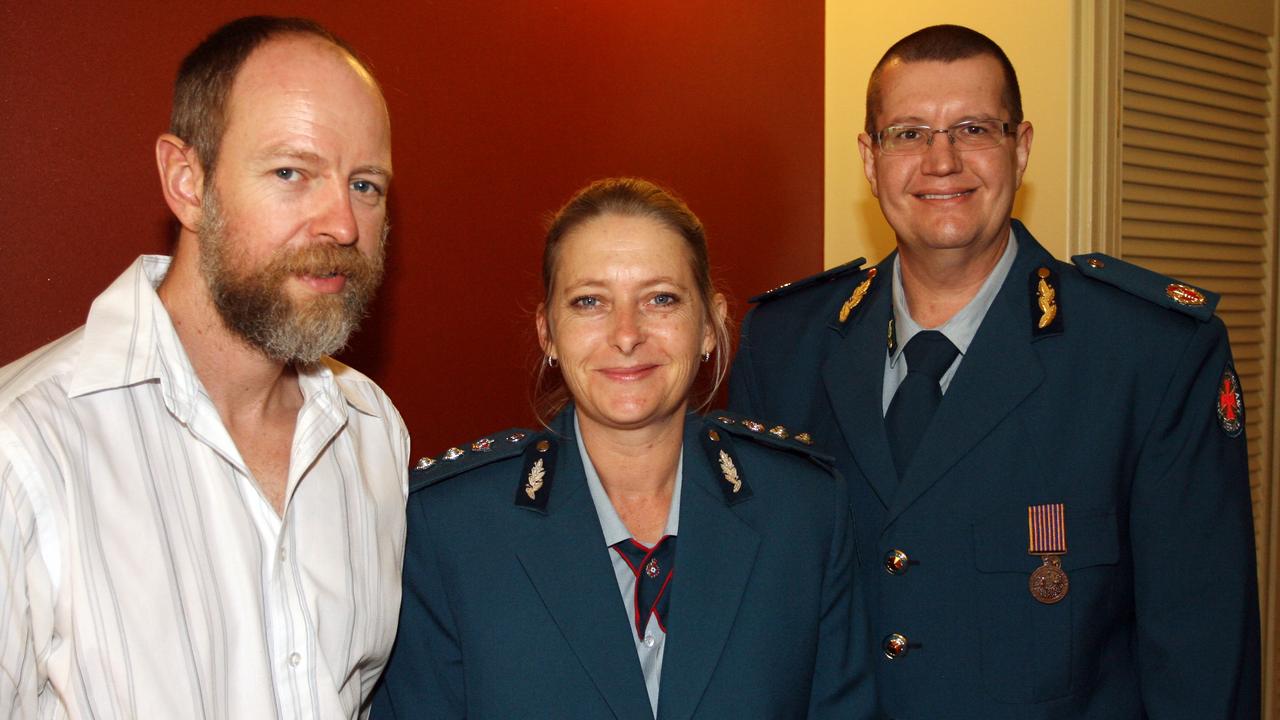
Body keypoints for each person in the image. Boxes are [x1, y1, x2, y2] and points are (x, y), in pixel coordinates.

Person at [729, 24, 1259, 719]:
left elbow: (1201, 661)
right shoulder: (785, 345)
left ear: (1022, 147)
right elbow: (749, 625)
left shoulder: (1150, 357)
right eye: (908, 133)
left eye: (973, 127)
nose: (940, 161)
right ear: (870, 157)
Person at [0, 16, 408, 718]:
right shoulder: (26, 445)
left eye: (365, 185)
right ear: (187, 181)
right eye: (292, 172)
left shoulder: (372, 431)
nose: (343, 223)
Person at [372, 178, 873, 719]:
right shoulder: (449, 528)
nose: (627, 334)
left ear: (709, 324)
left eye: (661, 299)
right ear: (548, 334)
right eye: (590, 302)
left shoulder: (804, 511)